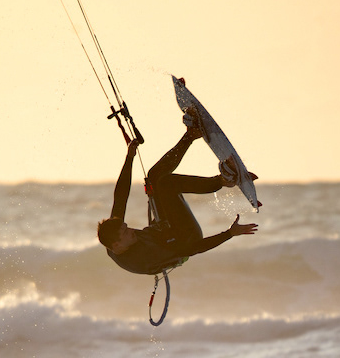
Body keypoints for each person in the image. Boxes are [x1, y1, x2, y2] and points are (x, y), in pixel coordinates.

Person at [97, 112, 257, 275]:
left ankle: (191, 134)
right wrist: (230, 233)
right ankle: (224, 181)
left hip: (163, 229)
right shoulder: (144, 258)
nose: (130, 229)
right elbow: (193, 248)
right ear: (117, 245)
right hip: (186, 238)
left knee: (153, 177)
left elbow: (121, 197)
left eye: (126, 227)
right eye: (126, 232)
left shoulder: (113, 239)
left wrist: (129, 158)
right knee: (166, 184)